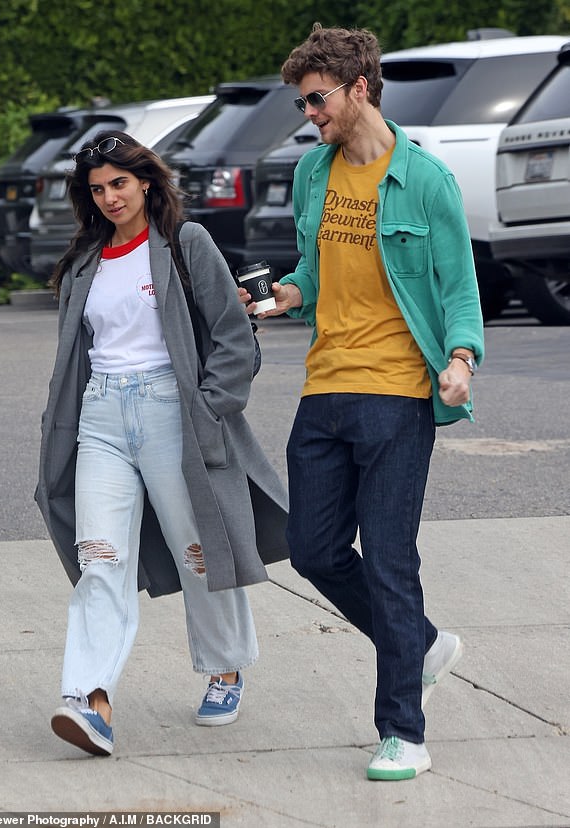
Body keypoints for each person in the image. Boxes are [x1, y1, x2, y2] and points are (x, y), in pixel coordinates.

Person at [243, 24, 485, 780]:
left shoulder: (426, 180)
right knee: (312, 550)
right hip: (325, 386)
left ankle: (403, 732)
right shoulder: (313, 175)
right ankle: (422, 643)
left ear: (359, 89)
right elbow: (315, 266)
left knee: (387, 559)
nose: (308, 115)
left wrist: (460, 359)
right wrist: (287, 294)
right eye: (302, 103)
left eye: (317, 100)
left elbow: (458, 287)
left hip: (397, 392)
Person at [35, 129, 289, 757]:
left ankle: (224, 666)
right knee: (99, 560)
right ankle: (89, 700)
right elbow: (76, 359)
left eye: (119, 183)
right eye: (97, 190)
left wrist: (208, 409)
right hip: (101, 418)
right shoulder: (84, 262)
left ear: (145, 181)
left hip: (173, 411)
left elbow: (233, 337)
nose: (110, 198)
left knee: (198, 546)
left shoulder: (184, 243)